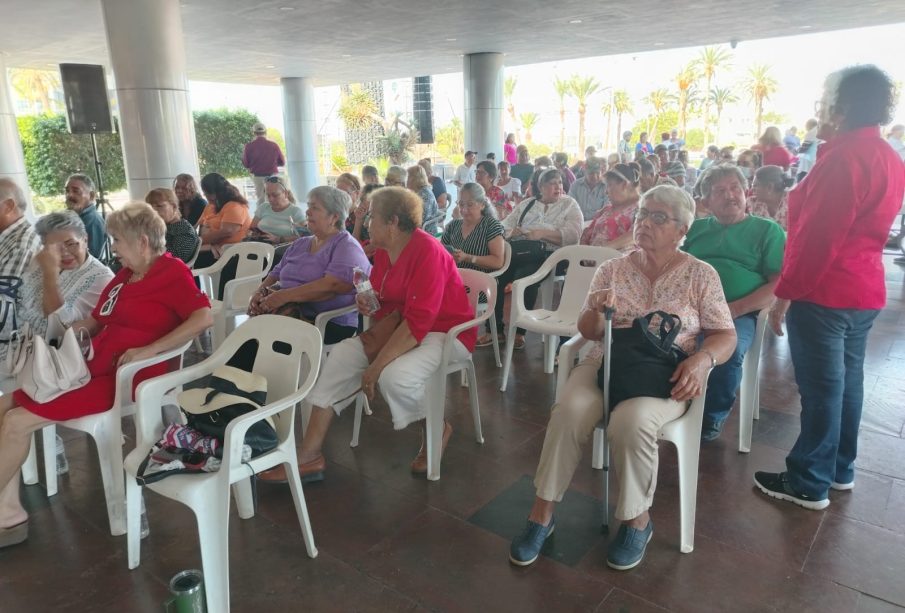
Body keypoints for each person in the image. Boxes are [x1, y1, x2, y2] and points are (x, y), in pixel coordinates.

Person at [509, 184, 736, 570]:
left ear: (682, 229)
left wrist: (702, 361)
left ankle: (637, 520)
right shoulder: (612, 268)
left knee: (631, 423)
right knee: (568, 411)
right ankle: (541, 514)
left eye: (658, 217)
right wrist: (596, 311)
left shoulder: (701, 275)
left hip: (662, 374)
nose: (644, 222)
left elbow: (725, 334)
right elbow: (588, 330)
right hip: (606, 361)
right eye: (642, 214)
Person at [0, 202, 212, 549]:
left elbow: (203, 317)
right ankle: (6, 509)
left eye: (117, 240)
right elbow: (99, 319)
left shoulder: (170, 272)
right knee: (6, 404)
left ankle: (4, 511)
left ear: (142, 242)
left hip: (127, 378)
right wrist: (67, 334)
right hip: (95, 365)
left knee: (16, 421)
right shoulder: (128, 274)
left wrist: (149, 350)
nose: (112, 247)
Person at [755, 65, 905, 510]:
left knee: (822, 389)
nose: (819, 105)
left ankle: (809, 480)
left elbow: (819, 239)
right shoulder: (886, 154)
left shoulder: (844, 159)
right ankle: (839, 468)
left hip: (826, 293)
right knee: (846, 385)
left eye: (824, 96)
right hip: (863, 290)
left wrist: (786, 294)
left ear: (841, 107)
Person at [288, 186, 477, 480]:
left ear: (393, 222)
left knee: (394, 378)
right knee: (341, 356)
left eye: (372, 216)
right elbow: (385, 302)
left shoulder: (428, 251)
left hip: (446, 333)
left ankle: (436, 428)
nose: (363, 221)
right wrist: (368, 301)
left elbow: (418, 322)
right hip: (403, 328)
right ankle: (309, 454)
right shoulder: (387, 251)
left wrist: (376, 367)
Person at [683, 164, 786, 441]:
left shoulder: (767, 231)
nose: (730, 195)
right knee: (653, 338)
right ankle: (668, 404)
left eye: (735, 188)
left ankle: (710, 417)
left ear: (746, 193)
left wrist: (735, 309)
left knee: (725, 353)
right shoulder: (695, 229)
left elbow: (778, 283)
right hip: (688, 309)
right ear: (705, 201)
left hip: (738, 313)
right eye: (720, 191)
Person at [245, 186, 370, 412]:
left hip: (329, 322)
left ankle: (268, 396)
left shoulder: (345, 245)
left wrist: (283, 297)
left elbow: (332, 285)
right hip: (289, 312)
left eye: (315, 208)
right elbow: (276, 272)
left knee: (263, 336)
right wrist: (261, 291)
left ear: (334, 217)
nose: (308, 212)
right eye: (309, 206)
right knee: (252, 336)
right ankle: (250, 392)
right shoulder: (301, 243)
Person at [485, 168, 582, 350]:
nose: (558, 187)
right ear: (541, 186)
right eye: (552, 183)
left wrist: (541, 234)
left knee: (524, 277)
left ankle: (520, 332)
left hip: (553, 256)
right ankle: (495, 330)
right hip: (521, 251)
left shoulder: (569, 204)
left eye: (560, 182)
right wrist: (512, 231)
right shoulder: (528, 204)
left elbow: (573, 234)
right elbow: (503, 226)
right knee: (496, 276)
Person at [8, 211, 113, 355]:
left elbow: (57, 327)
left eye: (71, 244)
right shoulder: (40, 261)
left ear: (85, 239)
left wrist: (50, 275)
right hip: (15, 344)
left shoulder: (102, 278)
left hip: (53, 358)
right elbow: (18, 299)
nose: (64, 253)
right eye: (53, 247)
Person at [0, 178, 41, 349]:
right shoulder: (9, 237)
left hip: (12, 346)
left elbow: (4, 311)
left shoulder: (21, 246)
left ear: (9, 206)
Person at [441, 183, 506, 274]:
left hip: (480, 282)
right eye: (461, 204)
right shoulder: (454, 225)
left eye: (470, 204)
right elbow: (440, 251)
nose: (464, 210)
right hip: (453, 278)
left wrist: (468, 258)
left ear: (482, 205)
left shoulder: (491, 226)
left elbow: (498, 262)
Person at [195, 173, 253, 270]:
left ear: (215, 193)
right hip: (211, 247)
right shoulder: (210, 206)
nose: (205, 196)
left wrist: (199, 241)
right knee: (183, 256)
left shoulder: (235, 206)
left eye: (206, 193)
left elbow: (226, 232)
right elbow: (199, 226)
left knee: (191, 259)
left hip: (231, 251)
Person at [580, 163, 640, 251]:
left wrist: (604, 249)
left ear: (623, 185)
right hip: (590, 260)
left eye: (609, 185)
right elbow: (586, 235)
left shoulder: (643, 210)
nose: (606, 192)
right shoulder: (606, 210)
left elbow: (637, 234)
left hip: (619, 262)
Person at [144, 188, 201, 263]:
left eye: (159, 206)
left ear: (174, 207)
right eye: (150, 207)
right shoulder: (158, 227)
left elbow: (176, 258)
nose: (153, 210)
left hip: (169, 272)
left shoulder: (184, 230)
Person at [248, 176, 306, 244]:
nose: (270, 199)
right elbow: (252, 228)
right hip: (261, 246)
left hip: (282, 249)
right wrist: (254, 234)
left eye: (275, 195)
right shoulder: (263, 207)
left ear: (285, 193)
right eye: (268, 195)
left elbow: (304, 236)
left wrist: (279, 239)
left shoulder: (296, 212)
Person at [64, 174, 106, 260]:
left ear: (91, 195)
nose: (69, 195)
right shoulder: (74, 218)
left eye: (76, 191)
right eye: (67, 191)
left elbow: (90, 259)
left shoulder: (93, 221)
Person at [242, 122, 285, 206]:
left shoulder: (249, 146)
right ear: (265, 132)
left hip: (258, 177)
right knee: (275, 199)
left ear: (254, 133)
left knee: (261, 200)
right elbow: (282, 162)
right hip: (273, 176)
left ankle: (262, 218)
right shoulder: (274, 145)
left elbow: (246, 164)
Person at [750, 165, 793, 230]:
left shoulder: (792, 204)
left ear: (770, 187)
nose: (752, 189)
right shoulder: (751, 203)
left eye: (755, 185)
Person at [406, 165, 440, 233]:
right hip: (420, 228)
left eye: (407, 177)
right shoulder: (420, 191)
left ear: (414, 179)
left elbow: (419, 221)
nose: (405, 180)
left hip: (426, 232)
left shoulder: (424, 195)